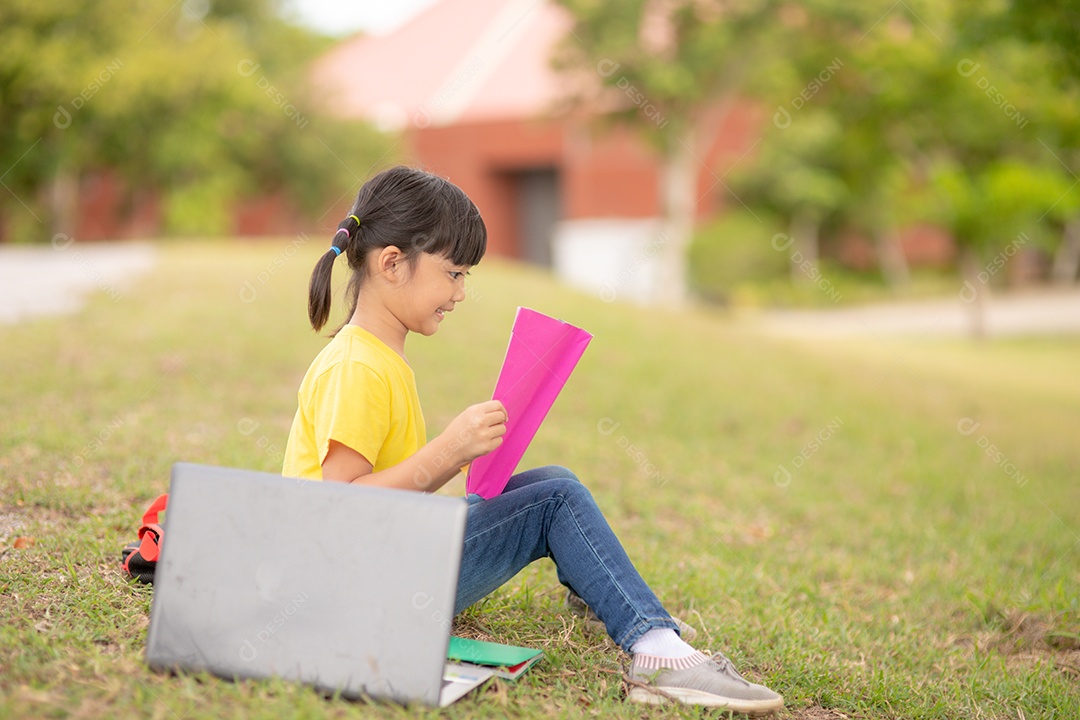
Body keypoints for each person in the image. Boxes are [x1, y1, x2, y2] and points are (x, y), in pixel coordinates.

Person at [281, 165, 783, 714]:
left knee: (553, 482)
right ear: (393, 264)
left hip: (379, 570)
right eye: (453, 273)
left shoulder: (381, 357)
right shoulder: (357, 366)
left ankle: (606, 594)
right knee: (554, 500)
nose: (461, 292)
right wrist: (450, 449)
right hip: (361, 590)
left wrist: (468, 456)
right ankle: (658, 654)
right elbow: (343, 505)